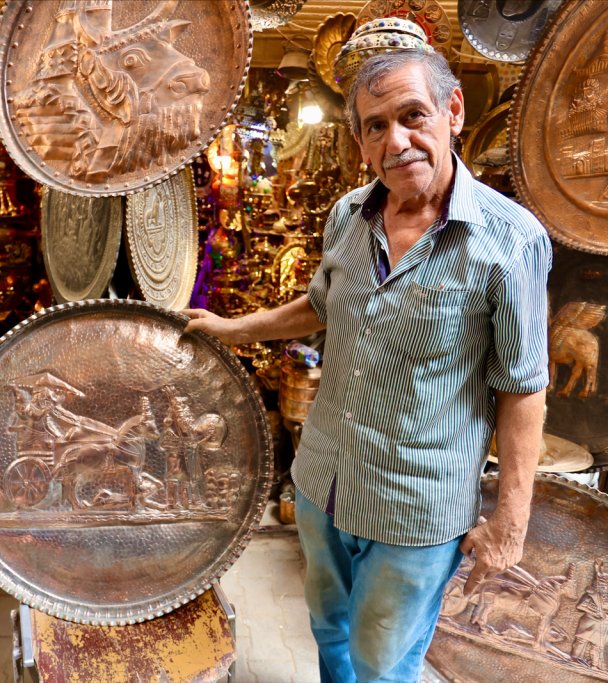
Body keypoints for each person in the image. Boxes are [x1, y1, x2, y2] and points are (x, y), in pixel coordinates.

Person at [183, 48, 550, 682]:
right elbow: (321, 305)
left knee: (384, 663)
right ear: (359, 140)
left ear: (453, 110)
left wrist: (511, 522)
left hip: (415, 507)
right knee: (330, 628)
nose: (397, 141)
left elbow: (523, 389)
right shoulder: (349, 216)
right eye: (375, 125)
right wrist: (232, 328)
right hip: (325, 480)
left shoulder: (510, 241)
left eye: (412, 115)